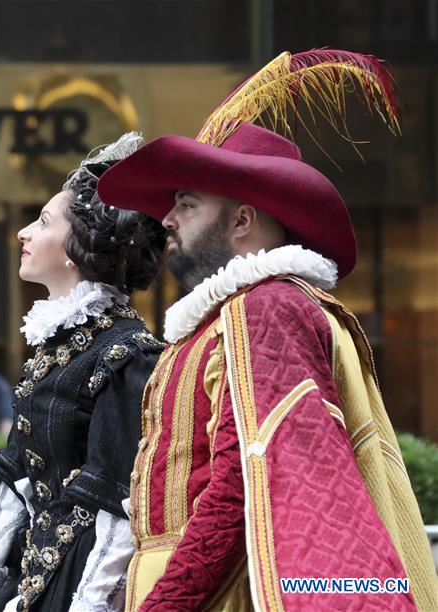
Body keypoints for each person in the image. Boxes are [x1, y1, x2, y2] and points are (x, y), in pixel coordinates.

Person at [96, 50, 437, 611]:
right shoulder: (248, 311)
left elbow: (241, 482)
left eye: (187, 204)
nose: (167, 221)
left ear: (242, 220)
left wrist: (167, 603)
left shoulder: (269, 308)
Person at [0, 132, 166, 612]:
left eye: (41, 222)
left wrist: (89, 603)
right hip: (32, 578)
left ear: (74, 247)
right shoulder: (53, 347)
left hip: (84, 586)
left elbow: (120, 503)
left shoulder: (126, 354)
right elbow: (22, 478)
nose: (23, 232)